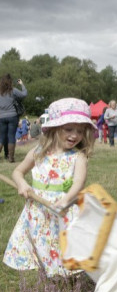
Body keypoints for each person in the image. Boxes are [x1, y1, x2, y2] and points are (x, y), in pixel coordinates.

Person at [3, 98, 96, 276]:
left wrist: (66, 200)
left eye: (80, 131)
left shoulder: (78, 157)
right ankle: (46, 287)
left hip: (63, 211)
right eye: (69, 129)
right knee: (40, 247)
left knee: (63, 253)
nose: (75, 135)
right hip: (38, 212)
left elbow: (78, 183)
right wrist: (22, 184)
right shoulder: (38, 152)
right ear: (54, 128)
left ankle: (68, 288)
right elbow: (17, 171)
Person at [0, 74, 27, 162]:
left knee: (1, 137)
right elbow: (24, 94)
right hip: (12, 116)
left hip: (1, 117)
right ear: (10, 82)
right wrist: (22, 84)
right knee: (11, 136)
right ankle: (11, 158)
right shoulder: (13, 91)